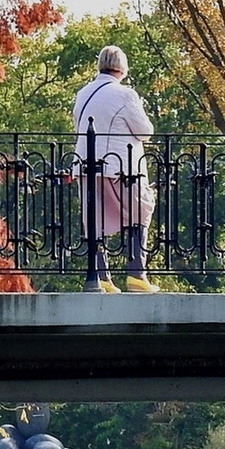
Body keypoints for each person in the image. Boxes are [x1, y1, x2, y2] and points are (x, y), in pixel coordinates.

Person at [73, 44, 158, 293]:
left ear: (100, 65)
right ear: (123, 69)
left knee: (94, 219)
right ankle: (136, 274)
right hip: (120, 166)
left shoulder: (83, 93)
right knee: (141, 209)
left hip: (86, 164)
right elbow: (145, 131)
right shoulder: (125, 94)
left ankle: (101, 277)